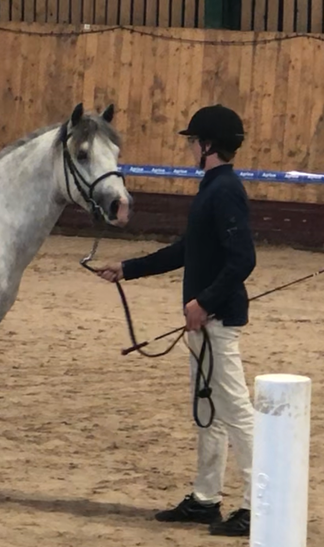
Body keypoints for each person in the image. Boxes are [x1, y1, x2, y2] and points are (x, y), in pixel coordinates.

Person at [94, 104, 257, 537]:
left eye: (192, 142)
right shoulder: (212, 188)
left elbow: (243, 258)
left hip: (215, 318)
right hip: (203, 319)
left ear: (207, 145)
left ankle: (260, 501)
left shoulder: (224, 191)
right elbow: (188, 250)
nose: (189, 148)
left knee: (235, 409)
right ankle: (206, 498)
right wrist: (128, 268)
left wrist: (205, 302)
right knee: (208, 409)